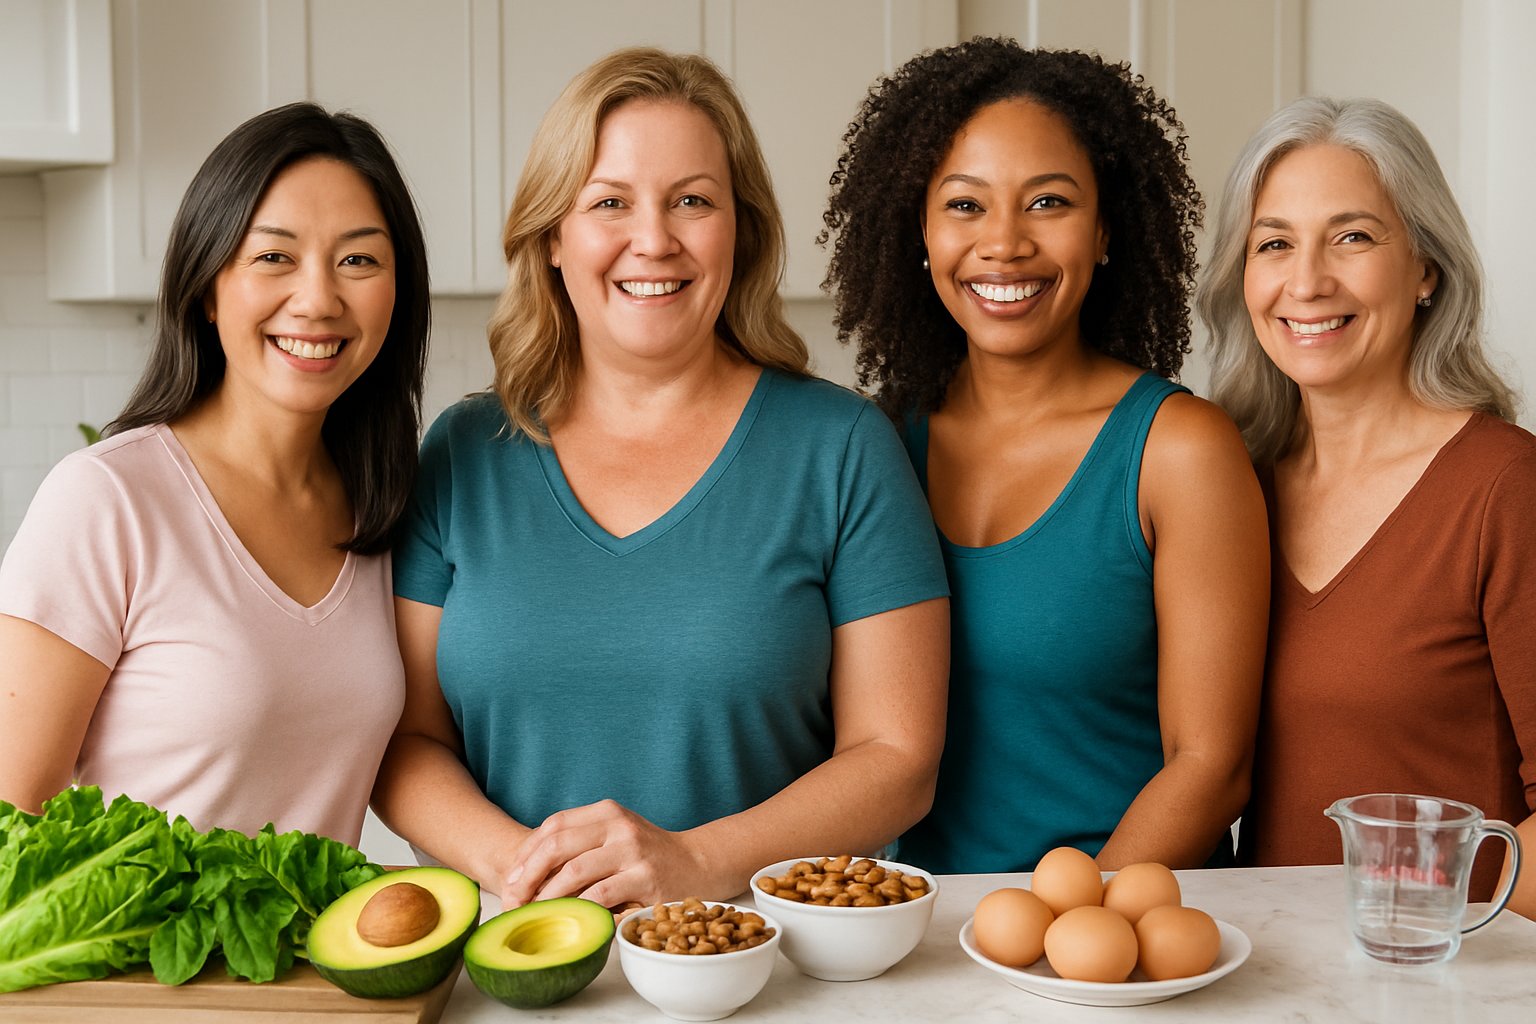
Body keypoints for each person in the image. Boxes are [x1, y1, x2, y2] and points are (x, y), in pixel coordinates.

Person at [372, 47, 950, 908]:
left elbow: (897, 762)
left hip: (767, 965)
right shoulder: (459, 453)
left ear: (739, 231)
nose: (655, 239)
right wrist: (523, 871)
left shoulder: (843, 448)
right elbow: (408, 741)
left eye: (693, 201)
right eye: (610, 202)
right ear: (553, 239)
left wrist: (698, 864)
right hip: (518, 954)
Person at [821, 39, 1270, 874]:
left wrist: (1065, 923)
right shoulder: (872, 446)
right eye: (964, 205)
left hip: (1122, 944)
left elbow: (1212, 770)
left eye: (1048, 202)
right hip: (923, 938)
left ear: (1105, 231)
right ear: (918, 230)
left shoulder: (1179, 451)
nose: (1003, 244)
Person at [0, 103, 430, 847]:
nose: (319, 299)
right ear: (207, 285)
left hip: (321, 965)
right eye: (274, 257)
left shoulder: (387, 508)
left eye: (358, 259)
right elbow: (12, 817)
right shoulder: (107, 500)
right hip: (130, 965)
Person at [1199, 96, 1535, 909]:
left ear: (1425, 267)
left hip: (1437, 979)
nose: (1307, 282)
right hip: (1264, 972)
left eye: (1352, 237)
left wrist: (1433, 938)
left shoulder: (1504, 486)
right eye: (1274, 244)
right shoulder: (1230, 484)